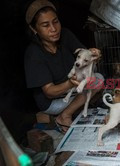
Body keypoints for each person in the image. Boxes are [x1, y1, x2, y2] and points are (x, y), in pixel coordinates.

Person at [24, 0, 102, 133]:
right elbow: (49, 92)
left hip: (71, 92)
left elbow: (85, 56)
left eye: (55, 22)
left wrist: (94, 54)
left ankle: (72, 109)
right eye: (45, 25)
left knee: (98, 79)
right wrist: (70, 84)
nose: (53, 29)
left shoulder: (65, 35)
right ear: (34, 29)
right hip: (53, 102)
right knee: (86, 88)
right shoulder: (33, 54)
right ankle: (64, 116)